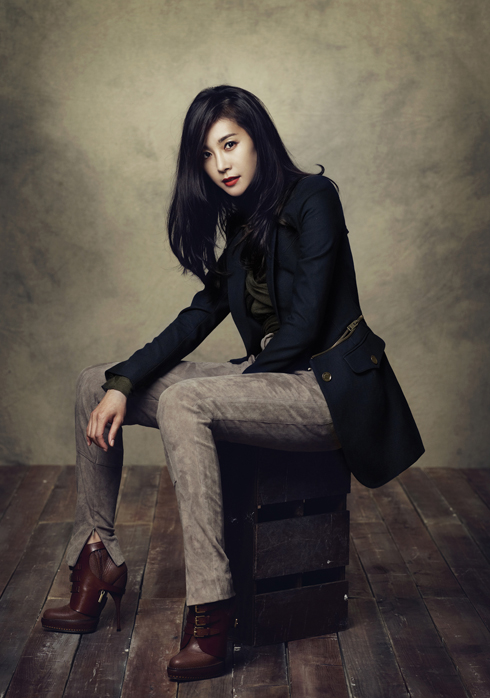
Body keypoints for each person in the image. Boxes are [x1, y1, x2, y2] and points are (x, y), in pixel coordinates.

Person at [41, 85, 424, 681]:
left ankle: (211, 609)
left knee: (187, 403)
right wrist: (124, 382)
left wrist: (235, 388)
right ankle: (95, 560)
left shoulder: (315, 197)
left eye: (229, 144)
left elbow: (306, 324)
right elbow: (198, 317)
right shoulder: (244, 224)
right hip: (269, 380)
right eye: (206, 154)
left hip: (325, 391)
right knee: (96, 382)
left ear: (257, 140)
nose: (220, 164)